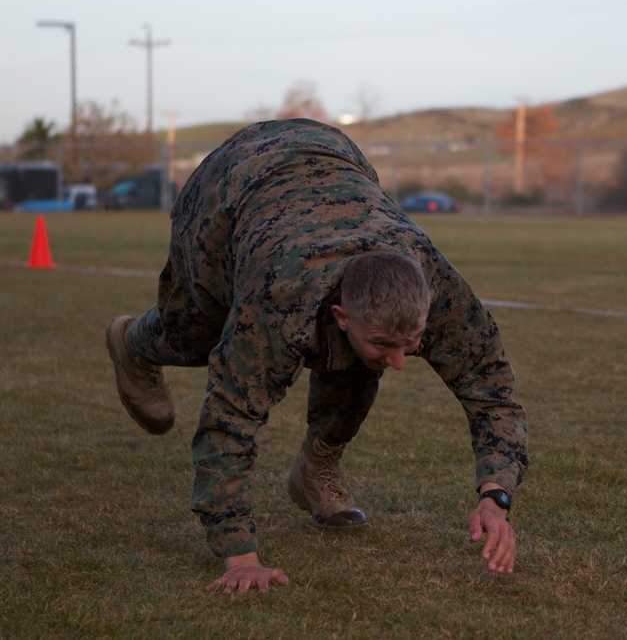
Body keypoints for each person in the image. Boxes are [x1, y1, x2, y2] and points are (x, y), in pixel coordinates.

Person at [104, 118, 529, 593]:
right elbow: (229, 422)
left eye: (409, 344)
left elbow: (493, 393)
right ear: (342, 314)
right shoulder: (277, 301)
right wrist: (239, 555)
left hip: (332, 153)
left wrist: (495, 497)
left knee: (358, 358)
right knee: (196, 334)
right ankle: (132, 343)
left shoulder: (437, 288)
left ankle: (316, 468)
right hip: (230, 186)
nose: (400, 362)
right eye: (386, 344)